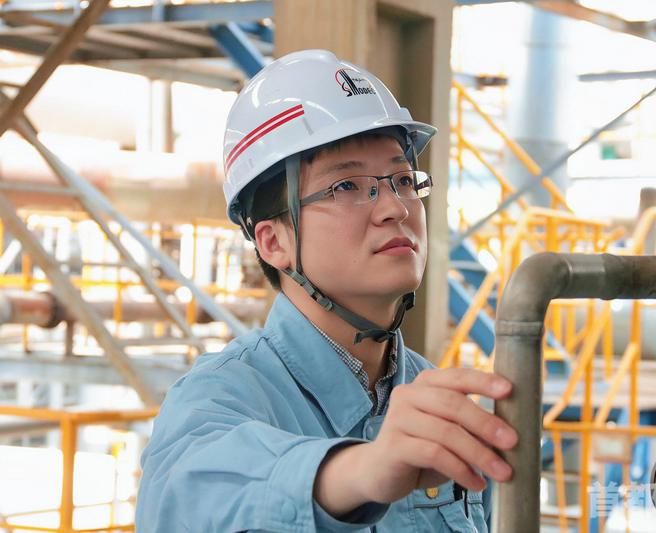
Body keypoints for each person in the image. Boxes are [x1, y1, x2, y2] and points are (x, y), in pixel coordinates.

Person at [136, 49, 517, 532]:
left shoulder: (439, 406)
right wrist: (363, 470)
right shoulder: (217, 397)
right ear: (274, 242)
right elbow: (189, 496)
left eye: (403, 179)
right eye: (346, 186)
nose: (395, 208)